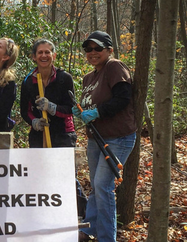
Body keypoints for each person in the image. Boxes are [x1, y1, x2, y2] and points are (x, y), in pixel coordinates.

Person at [73, 31, 136, 241]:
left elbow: (123, 98)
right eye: (88, 49)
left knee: (102, 186)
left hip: (118, 137)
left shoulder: (114, 66)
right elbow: (91, 104)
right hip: (95, 139)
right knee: (95, 185)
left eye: (98, 48)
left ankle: (107, 237)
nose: (92, 52)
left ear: (109, 50)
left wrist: (98, 111)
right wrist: (82, 112)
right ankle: (89, 229)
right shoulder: (88, 78)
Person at [20, 39, 77, 148]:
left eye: (47, 52)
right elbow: (25, 111)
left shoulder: (64, 78)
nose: (44, 55)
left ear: (54, 56)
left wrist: (52, 107)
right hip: (38, 137)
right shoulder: (28, 81)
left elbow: (71, 109)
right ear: (34, 57)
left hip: (63, 135)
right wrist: (35, 122)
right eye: (40, 52)